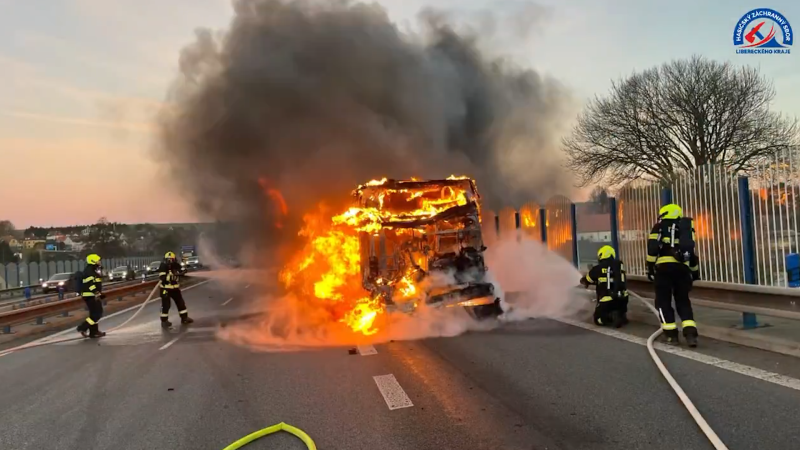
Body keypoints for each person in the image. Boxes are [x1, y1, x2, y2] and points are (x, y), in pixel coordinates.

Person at [647, 203, 701, 347]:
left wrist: (650, 268)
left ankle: (671, 336)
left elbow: (652, 249)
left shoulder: (658, 227)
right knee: (683, 301)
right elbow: (692, 254)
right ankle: (690, 334)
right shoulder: (686, 228)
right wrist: (694, 272)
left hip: (663, 270)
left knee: (663, 302)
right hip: (682, 270)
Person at [580, 245, 629, 328]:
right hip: (623, 297)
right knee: (620, 306)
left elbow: (587, 279)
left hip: (607, 299)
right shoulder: (618, 264)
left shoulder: (597, 268)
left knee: (598, 320)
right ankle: (621, 315)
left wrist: (583, 281)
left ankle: (609, 318)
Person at [158, 251, 193, 328]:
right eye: (169, 260)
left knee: (181, 303)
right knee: (166, 305)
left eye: (172, 259)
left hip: (175, 288)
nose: (170, 261)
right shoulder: (163, 266)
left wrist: (184, 272)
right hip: (165, 289)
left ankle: (184, 318)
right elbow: (162, 278)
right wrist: (173, 276)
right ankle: (164, 321)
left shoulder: (176, 265)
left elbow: (181, 271)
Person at [76, 253, 107, 338]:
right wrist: (98, 294)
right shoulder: (89, 271)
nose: (99, 261)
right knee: (97, 314)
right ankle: (82, 327)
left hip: (92, 295)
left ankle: (94, 332)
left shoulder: (92, 270)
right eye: (98, 260)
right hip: (90, 295)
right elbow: (90, 284)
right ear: (93, 261)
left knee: (94, 314)